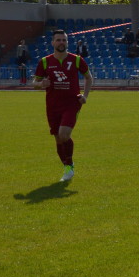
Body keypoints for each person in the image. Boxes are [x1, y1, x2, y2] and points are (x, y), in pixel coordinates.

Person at [33, 29, 94, 182]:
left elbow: (88, 77)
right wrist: (41, 84)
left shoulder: (77, 60)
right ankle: (68, 165)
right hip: (53, 105)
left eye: (64, 40)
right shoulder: (45, 61)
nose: (61, 43)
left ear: (67, 42)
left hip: (72, 103)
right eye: (58, 40)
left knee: (64, 134)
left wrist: (85, 96)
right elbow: (34, 82)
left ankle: (69, 167)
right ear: (52, 43)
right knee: (58, 139)